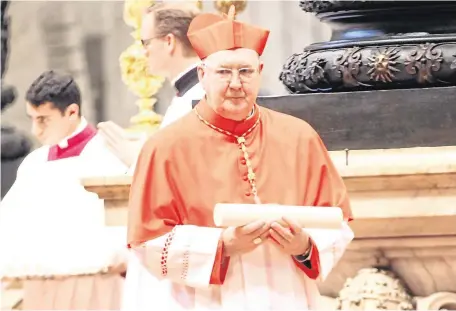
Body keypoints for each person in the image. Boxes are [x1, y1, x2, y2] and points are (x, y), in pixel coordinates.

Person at [126, 6, 354, 310]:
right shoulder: (165, 147)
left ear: (259, 73)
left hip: (286, 293)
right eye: (224, 72)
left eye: (245, 71)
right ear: (202, 74)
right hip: (207, 299)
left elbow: (336, 221)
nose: (236, 83)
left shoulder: (299, 136)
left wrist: (304, 246)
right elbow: (147, 243)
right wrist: (222, 245)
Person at [98, 2, 204, 169]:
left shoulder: (199, 100)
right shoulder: (190, 95)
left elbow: (186, 175)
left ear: (169, 42)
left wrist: (136, 160)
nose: (143, 52)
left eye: (146, 42)